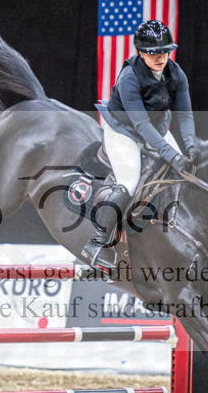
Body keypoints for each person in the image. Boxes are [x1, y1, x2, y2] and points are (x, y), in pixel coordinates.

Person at [81, 20, 199, 270]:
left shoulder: (176, 73)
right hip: (124, 131)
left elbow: (185, 115)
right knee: (129, 182)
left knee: (186, 175)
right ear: (141, 53)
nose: (161, 57)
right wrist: (172, 155)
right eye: (154, 53)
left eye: (165, 51)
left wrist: (190, 148)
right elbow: (141, 126)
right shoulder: (129, 78)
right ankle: (97, 242)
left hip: (157, 128)